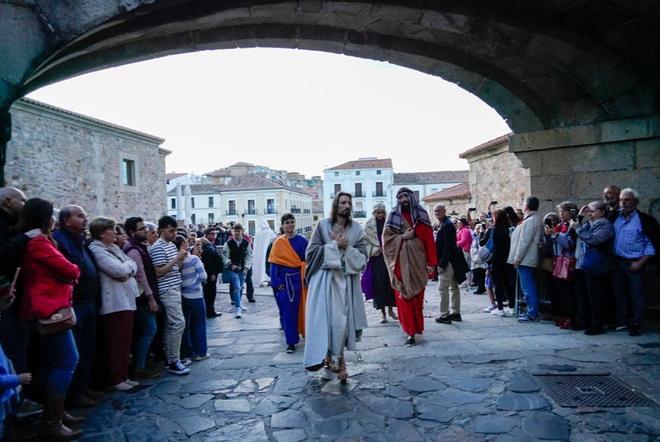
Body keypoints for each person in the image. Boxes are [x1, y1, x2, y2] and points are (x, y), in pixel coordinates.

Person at [18, 198, 83, 440]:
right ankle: (52, 421)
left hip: (51, 307)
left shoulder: (40, 242)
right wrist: (69, 276)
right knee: (67, 361)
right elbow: (71, 270)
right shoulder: (38, 243)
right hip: (49, 310)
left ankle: (56, 413)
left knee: (56, 362)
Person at [304, 192, 368, 382]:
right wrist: (333, 245)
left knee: (342, 322)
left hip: (347, 281)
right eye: (342, 202)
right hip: (325, 281)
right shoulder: (322, 226)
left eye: (349, 202)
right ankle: (331, 359)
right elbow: (311, 252)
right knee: (327, 322)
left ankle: (339, 362)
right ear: (336, 205)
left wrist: (346, 248)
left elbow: (363, 257)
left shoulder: (357, 229)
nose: (346, 205)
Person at [52, 206, 102, 407]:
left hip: (89, 302)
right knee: (75, 350)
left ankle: (83, 388)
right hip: (75, 304)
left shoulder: (79, 240)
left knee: (88, 348)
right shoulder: (60, 240)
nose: (85, 219)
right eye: (80, 216)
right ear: (66, 220)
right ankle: (73, 395)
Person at [88, 217, 139, 392]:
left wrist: (127, 270)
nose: (116, 233)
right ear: (102, 233)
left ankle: (123, 374)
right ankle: (115, 378)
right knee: (116, 342)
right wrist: (127, 269)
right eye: (112, 229)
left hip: (126, 299)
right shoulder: (97, 250)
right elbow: (118, 270)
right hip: (115, 302)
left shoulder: (113, 248)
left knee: (125, 341)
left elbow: (132, 265)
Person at [382, 189, 437, 346]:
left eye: (406, 196)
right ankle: (409, 331)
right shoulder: (392, 216)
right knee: (404, 297)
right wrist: (402, 237)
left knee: (417, 297)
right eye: (400, 197)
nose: (403, 199)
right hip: (400, 263)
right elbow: (386, 242)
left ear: (411, 197)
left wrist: (431, 263)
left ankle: (417, 327)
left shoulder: (422, 216)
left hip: (418, 262)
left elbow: (428, 240)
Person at [611, 188, 658, 336]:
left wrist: (640, 263)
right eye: (621, 200)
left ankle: (637, 322)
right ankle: (622, 321)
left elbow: (651, 245)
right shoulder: (614, 218)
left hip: (635, 263)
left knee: (637, 295)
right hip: (617, 262)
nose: (623, 203)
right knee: (619, 293)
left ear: (636, 202)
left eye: (627, 200)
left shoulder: (644, 220)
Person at [148, 216, 190, 375]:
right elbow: (159, 272)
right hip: (167, 289)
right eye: (171, 231)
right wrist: (177, 259)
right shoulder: (158, 247)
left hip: (174, 287)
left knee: (171, 325)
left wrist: (181, 257)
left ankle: (172, 357)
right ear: (162, 230)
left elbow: (175, 268)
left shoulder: (170, 245)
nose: (173, 234)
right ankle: (173, 360)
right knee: (178, 323)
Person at [123, 217, 160, 380]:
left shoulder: (139, 247)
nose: (146, 230)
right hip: (143, 298)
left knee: (147, 330)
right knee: (149, 330)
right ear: (132, 232)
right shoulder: (134, 250)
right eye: (142, 228)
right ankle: (139, 366)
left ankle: (142, 363)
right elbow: (141, 275)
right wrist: (150, 297)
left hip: (144, 296)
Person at [269, 213, 308, 353]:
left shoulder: (302, 241)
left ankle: (306, 334)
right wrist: (276, 282)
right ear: (283, 225)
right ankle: (291, 342)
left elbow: (309, 260)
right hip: (285, 282)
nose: (290, 224)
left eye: (292, 222)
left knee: (303, 309)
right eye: (287, 222)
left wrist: (307, 276)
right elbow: (274, 265)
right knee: (287, 313)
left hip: (301, 280)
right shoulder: (279, 243)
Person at [575, 201, 614, 335]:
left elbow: (593, 240)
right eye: (589, 211)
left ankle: (598, 323)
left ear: (602, 212)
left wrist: (578, 227)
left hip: (598, 264)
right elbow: (579, 230)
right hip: (587, 264)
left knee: (596, 296)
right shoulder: (590, 224)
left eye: (593, 211)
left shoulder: (606, 226)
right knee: (586, 295)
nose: (590, 214)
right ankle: (586, 320)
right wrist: (579, 218)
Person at [508, 197, 544, 322]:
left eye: (523, 204)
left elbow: (524, 242)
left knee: (527, 287)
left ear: (527, 206)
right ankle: (531, 311)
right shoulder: (532, 219)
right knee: (528, 286)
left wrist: (517, 258)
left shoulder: (531, 221)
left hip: (526, 259)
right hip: (526, 258)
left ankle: (532, 313)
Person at [433, 204, 468, 325]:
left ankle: (445, 315)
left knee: (443, 288)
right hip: (451, 261)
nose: (437, 213)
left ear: (444, 211)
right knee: (453, 287)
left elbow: (448, 247)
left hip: (448, 261)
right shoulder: (445, 224)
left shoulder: (447, 225)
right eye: (435, 211)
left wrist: (442, 264)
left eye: (439, 211)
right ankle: (455, 313)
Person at [363, 203, 397, 324]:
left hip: (389, 258)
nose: (380, 215)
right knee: (379, 286)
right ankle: (382, 313)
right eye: (378, 212)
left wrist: (388, 248)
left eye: (382, 212)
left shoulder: (389, 224)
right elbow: (364, 243)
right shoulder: (368, 226)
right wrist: (376, 250)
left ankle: (391, 310)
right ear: (374, 213)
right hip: (376, 259)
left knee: (390, 284)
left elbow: (394, 238)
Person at [178, 237, 209, 361]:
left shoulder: (177, 262)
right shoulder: (193, 259)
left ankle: (189, 352)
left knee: (187, 326)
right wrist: (194, 284)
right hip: (195, 295)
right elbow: (203, 276)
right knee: (200, 324)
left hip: (183, 296)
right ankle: (201, 352)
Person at [222, 224, 253, 318]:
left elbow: (249, 256)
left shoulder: (246, 243)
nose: (237, 232)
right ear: (233, 232)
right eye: (235, 231)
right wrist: (230, 264)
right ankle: (238, 308)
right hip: (232, 269)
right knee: (237, 286)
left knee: (241, 286)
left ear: (242, 232)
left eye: (238, 231)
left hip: (243, 269)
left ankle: (239, 302)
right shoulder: (228, 243)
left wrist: (246, 268)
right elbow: (224, 256)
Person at [488, 210, 514, 316]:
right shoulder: (509, 229)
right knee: (508, 284)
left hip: (497, 260)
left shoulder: (495, 230)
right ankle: (512, 307)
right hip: (508, 259)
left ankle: (500, 308)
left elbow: (494, 246)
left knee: (497, 285)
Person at [200, 228, 223, 318]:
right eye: (212, 234)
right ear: (207, 235)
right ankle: (210, 311)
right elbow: (207, 262)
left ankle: (210, 309)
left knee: (211, 292)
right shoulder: (206, 245)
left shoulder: (210, 245)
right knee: (210, 293)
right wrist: (212, 273)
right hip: (210, 274)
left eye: (215, 234)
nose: (214, 236)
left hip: (213, 272)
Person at [252, 219, 276, 288]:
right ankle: (267, 280)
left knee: (259, 266)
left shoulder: (257, 233)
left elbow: (255, 245)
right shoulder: (270, 232)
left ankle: (260, 280)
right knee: (266, 265)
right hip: (267, 252)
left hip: (259, 252)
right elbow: (272, 242)